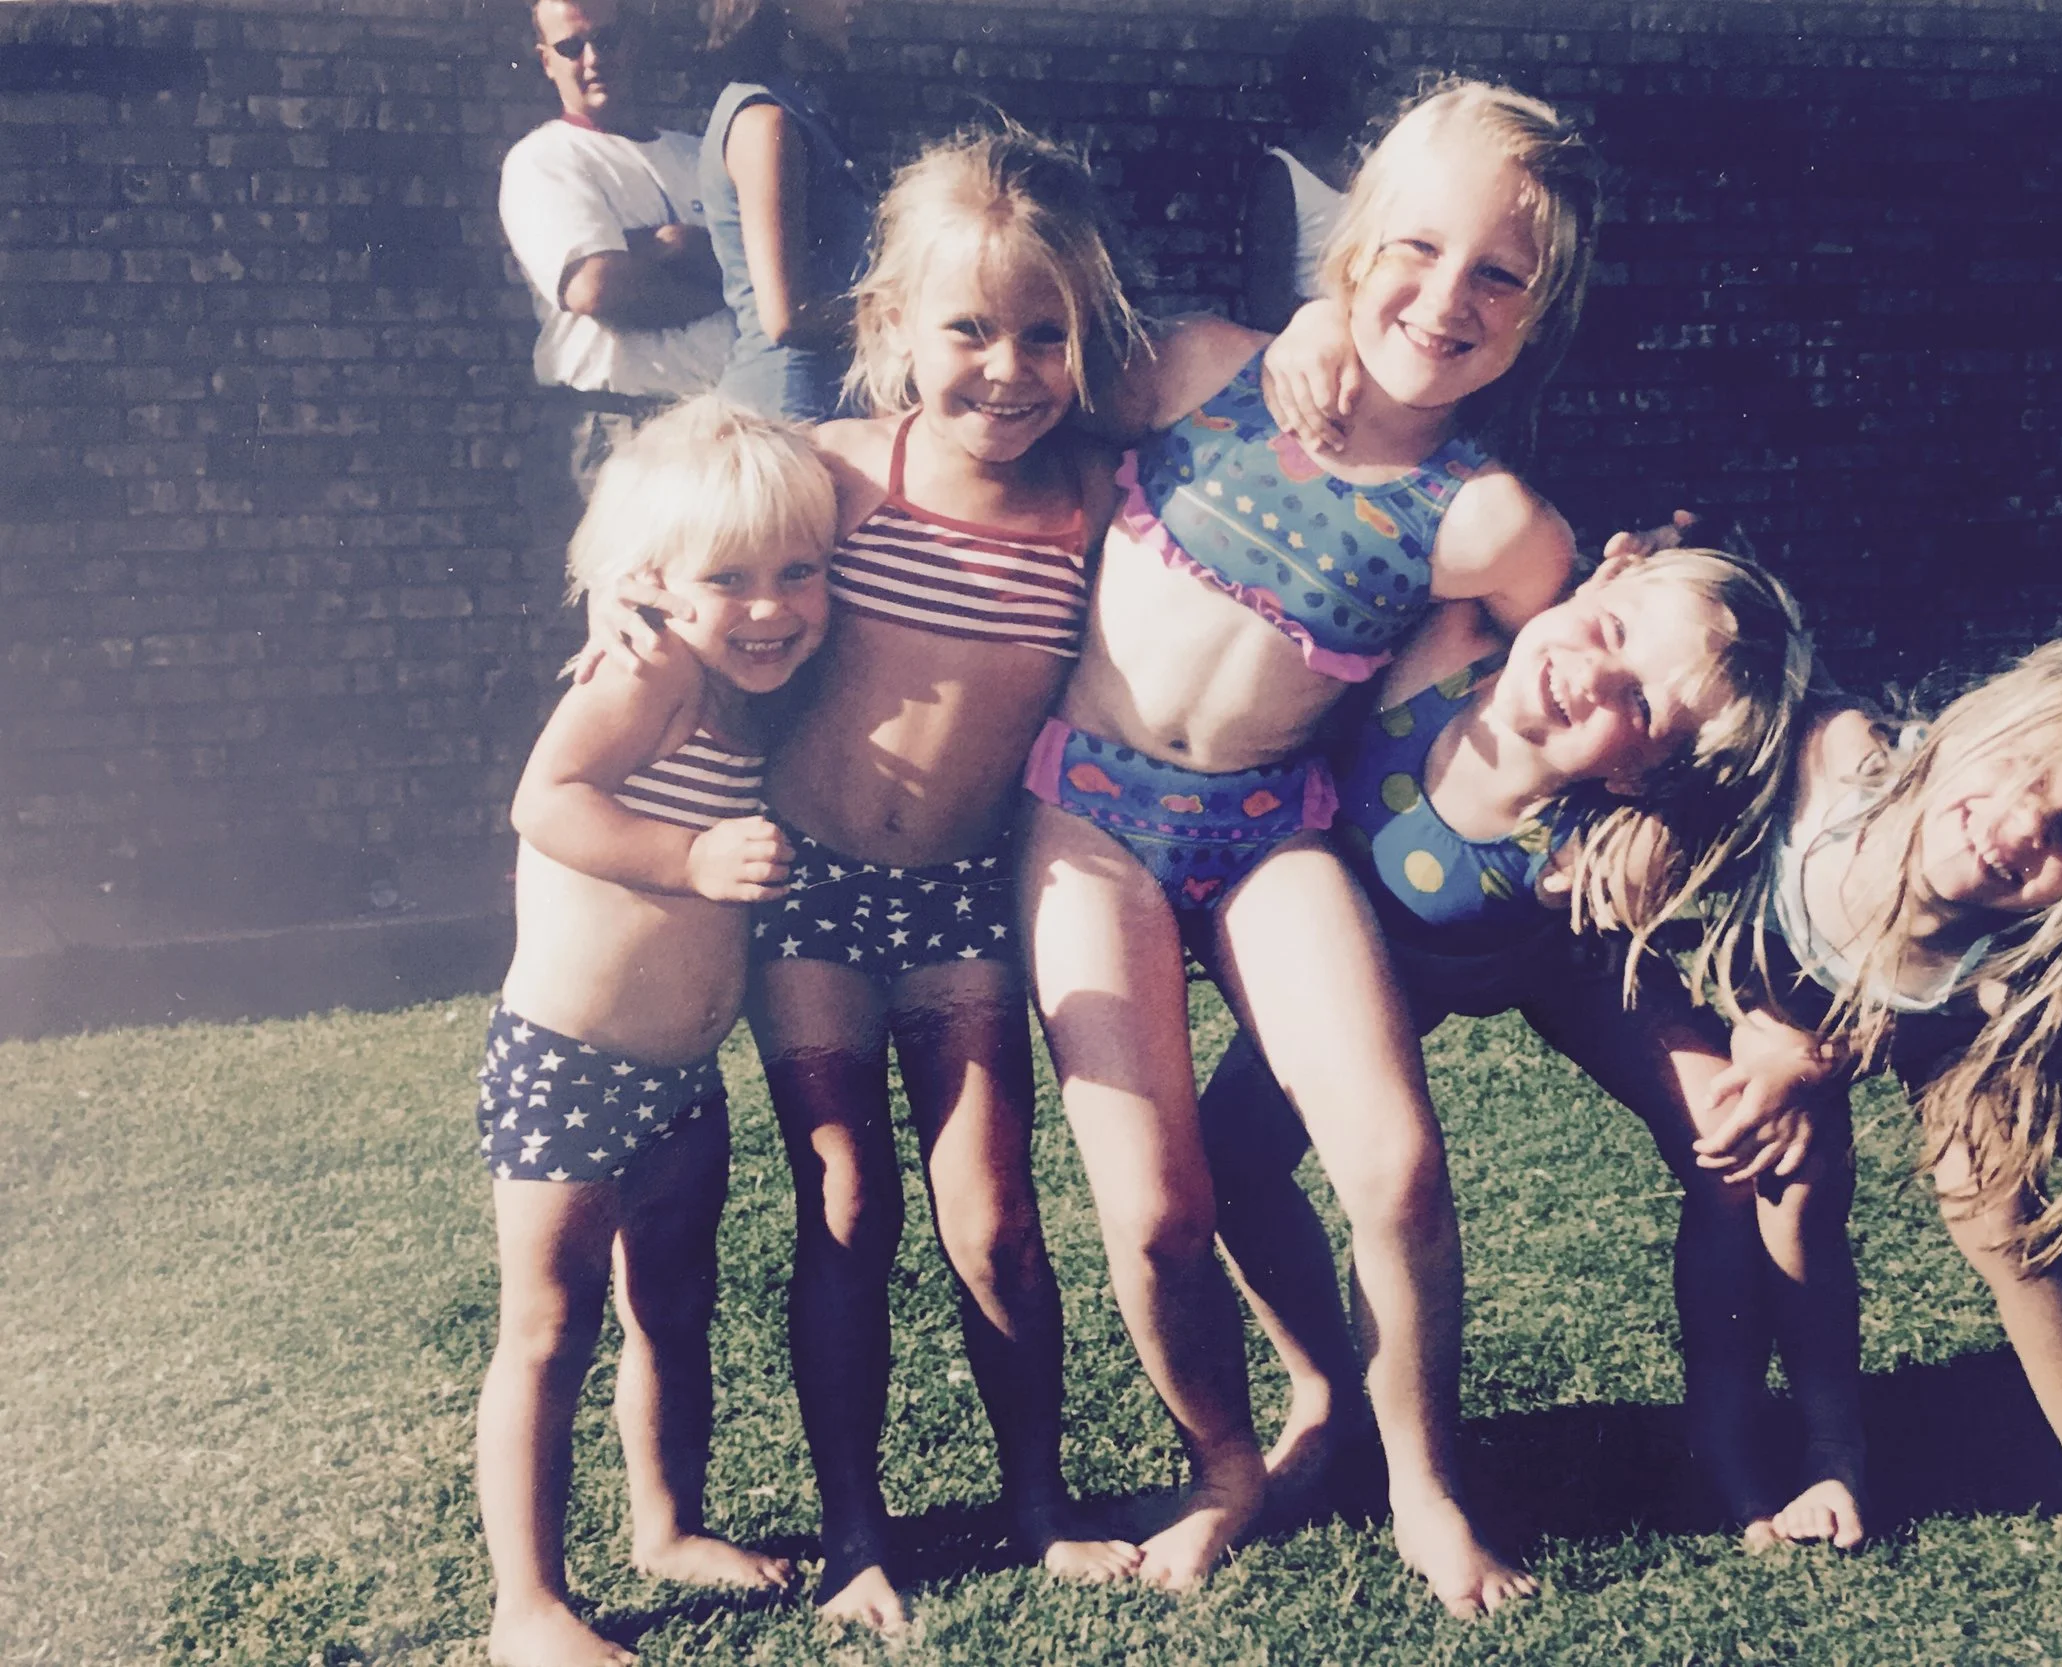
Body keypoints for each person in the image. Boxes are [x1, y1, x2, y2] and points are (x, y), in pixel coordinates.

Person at [1018, 80, 1599, 1614]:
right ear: (1353, 241)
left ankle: (1425, 1482)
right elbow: (992, 398)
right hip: (1088, 814)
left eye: (1499, 274)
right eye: (1415, 248)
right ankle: (1229, 1459)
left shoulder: (1491, 522)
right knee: (1156, 1209)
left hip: (1276, 824)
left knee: (1397, 1167)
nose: (1446, 297)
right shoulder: (1204, 368)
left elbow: (1587, 676)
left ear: (1542, 312)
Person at [587, 127, 1150, 1634]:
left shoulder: (1093, 504)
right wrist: (618, 608)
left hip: (963, 896)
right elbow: (681, 518)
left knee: (996, 1210)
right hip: (812, 893)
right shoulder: (839, 473)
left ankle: (1040, 1503)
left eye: (1046, 333)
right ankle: (854, 1532)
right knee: (845, 1197)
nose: (1008, 369)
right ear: (894, 323)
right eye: (969, 329)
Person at [1192, 544, 1823, 1544]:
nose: (1592, 675)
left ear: (1643, 772)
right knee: (1225, 1156)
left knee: (1732, 1143)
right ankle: (1325, 1396)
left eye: (1640, 705)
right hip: (1375, 964)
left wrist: (1782, 1039)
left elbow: (1757, 915)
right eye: (1612, 630)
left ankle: (1724, 1426)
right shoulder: (1442, 648)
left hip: (1560, 962)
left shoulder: (1615, 840)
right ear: (1598, 582)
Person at [1694, 636, 2062, 1598]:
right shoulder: (1836, 762)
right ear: (1978, 720)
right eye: (2023, 766)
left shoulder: (2023, 948)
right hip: (1785, 985)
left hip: (1938, 1012)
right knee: (1794, 1175)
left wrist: (1819, 1061)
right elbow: (1739, 665)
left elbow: (1930, 1020)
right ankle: (1831, 1447)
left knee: (2000, 1208)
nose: (2018, 826)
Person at [471, 397, 835, 1667]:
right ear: (652, 582)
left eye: (800, 571)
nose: (770, 604)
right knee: (548, 1327)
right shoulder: (650, 668)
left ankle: (666, 1523)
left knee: (672, 1307)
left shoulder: (740, 675)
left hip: (681, 1074)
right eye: (728, 579)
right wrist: (689, 855)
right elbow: (546, 798)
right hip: (569, 1063)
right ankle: (527, 1606)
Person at [498, 0, 734, 517]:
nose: (592, 58)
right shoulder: (545, 160)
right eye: (570, 47)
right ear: (546, 61)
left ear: (634, 43)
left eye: (606, 40)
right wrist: (698, 259)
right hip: (617, 429)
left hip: (718, 425)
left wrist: (653, 248)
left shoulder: (701, 155)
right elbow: (599, 289)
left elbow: (765, 270)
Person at [700, 0, 876, 421]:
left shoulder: (798, 112)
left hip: (820, 402)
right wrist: (904, 316)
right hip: (789, 413)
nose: (854, 4)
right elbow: (787, 317)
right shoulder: (765, 123)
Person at [1240, 16, 1390, 332]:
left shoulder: (1376, 166)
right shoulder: (1281, 175)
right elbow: (1267, 307)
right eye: (1373, 76)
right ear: (1336, 80)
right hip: (1309, 349)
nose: (1383, 89)